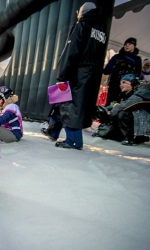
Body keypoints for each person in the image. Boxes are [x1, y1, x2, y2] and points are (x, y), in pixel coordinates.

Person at [42, 2, 107, 150]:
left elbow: (71, 51)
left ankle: (74, 141)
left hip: (75, 73)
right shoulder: (101, 31)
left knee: (69, 105)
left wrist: (61, 74)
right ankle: (53, 131)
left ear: (83, 12)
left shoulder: (82, 25)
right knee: (61, 102)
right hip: (90, 75)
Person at [103, 74, 150, 145]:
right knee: (122, 111)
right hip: (144, 119)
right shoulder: (132, 91)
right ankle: (139, 137)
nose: (121, 85)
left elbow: (124, 106)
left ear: (132, 82)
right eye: (120, 83)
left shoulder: (141, 92)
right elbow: (119, 103)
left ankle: (130, 138)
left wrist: (110, 113)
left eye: (124, 82)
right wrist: (107, 108)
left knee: (123, 113)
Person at [103, 37, 142, 106]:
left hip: (127, 88)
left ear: (134, 46)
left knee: (123, 108)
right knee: (110, 105)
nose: (127, 45)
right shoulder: (116, 57)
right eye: (125, 44)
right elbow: (106, 71)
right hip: (114, 85)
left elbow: (138, 74)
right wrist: (116, 66)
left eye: (129, 44)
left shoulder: (137, 59)